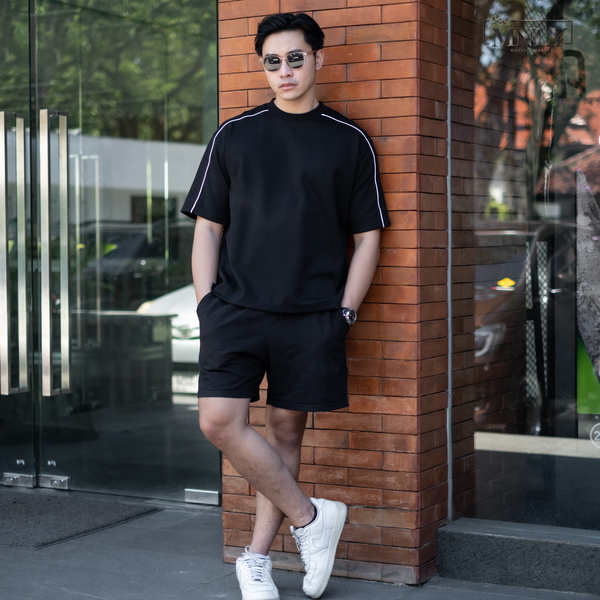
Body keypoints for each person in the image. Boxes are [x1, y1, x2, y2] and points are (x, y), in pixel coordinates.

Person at [181, 12, 390, 600]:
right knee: (218, 420)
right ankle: (311, 518)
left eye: (295, 58)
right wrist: (206, 305)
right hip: (235, 310)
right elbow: (208, 228)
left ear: (318, 58)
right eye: (272, 61)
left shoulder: (349, 140)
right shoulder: (235, 134)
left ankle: (256, 560)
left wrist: (344, 313)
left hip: (313, 315)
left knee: (285, 436)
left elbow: (368, 238)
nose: (285, 71)